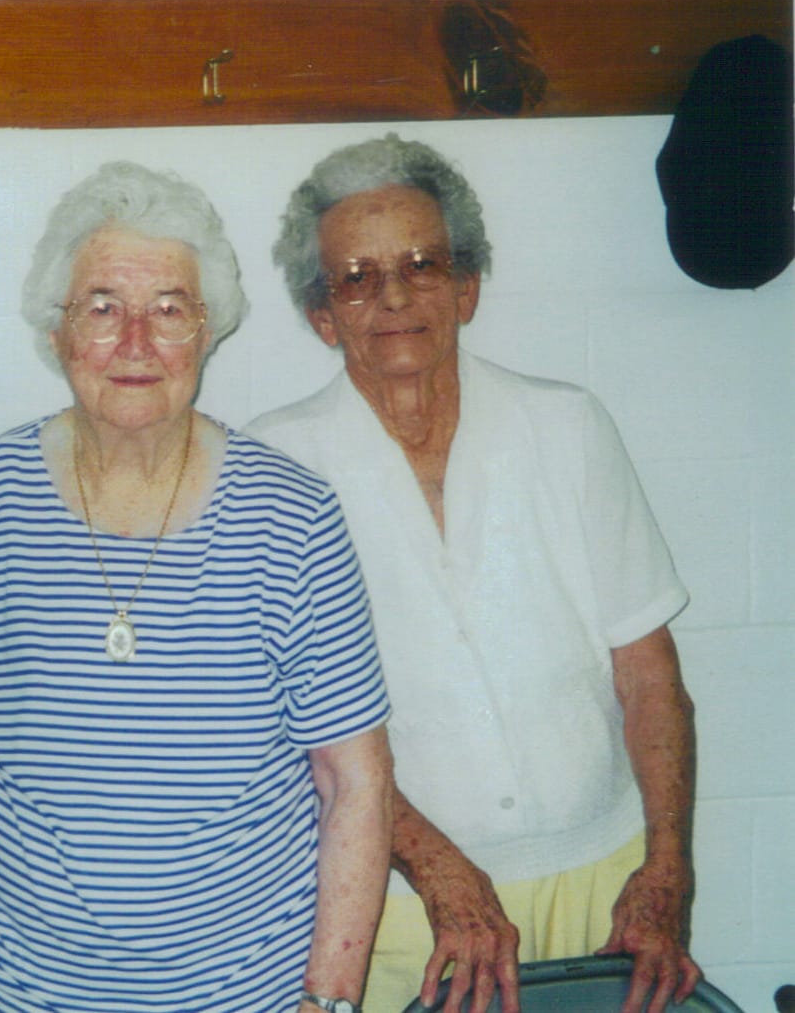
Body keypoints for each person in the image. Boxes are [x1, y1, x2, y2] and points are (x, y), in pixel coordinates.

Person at [0, 160, 394, 1013]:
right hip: (5, 992)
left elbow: (354, 783)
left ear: (208, 331)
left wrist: (328, 1002)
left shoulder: (291, 517)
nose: (136, 342)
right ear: (57, 331)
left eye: (169, 309)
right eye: (103, 308)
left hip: (244, 997)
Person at [246, 134, 700, 1013]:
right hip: (394, 902)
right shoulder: (274, 470)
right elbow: (285, 728)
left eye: (421, 264)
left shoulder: (566, 426)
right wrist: (439, 870)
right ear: (321, 315)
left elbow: (648, 675)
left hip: (604, 888)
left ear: (466, 287)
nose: (394, 296)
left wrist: (665, 869)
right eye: (356, 277)